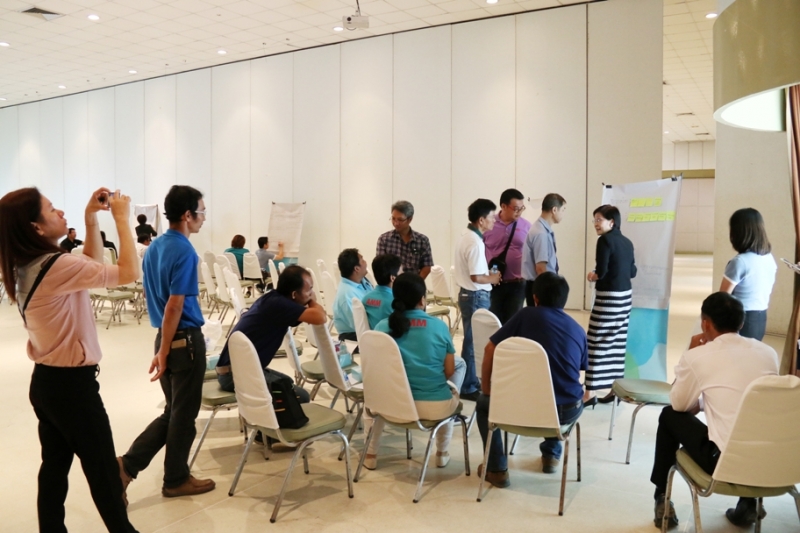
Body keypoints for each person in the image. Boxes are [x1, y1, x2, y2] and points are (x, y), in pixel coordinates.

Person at [0, 186, 138, 531]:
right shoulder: (56, 266)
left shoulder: (31, 264)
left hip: (47, 384)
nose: (60, 212)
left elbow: (89, 264)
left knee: (54, 468)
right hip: (72, 389)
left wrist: (90, 218)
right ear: (35, 227)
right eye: (51, 209)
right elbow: (128, 273)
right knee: (104, 472)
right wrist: (122, 219)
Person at [650, 292, 778, 529]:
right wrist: (704, 403)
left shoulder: (698, 356)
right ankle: (748, 504)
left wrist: (688, 355)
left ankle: (662, 499)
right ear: (741, 323)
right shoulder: (768, 353)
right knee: (748, 427)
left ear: (705, 323)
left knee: (669, 415)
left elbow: (679, 405)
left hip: (725, 463)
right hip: (772, 460)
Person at [120, 185, 215, 501]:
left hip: (164, 335)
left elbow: (157, 299)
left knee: (174, 412)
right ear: (187, 215)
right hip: (183, 339)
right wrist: (164, 351)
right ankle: (176, 479)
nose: (204, 218)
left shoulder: (155, 247)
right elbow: (175, 305)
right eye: (201, 212)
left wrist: (162, 346)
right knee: (183, 417)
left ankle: (126, 466)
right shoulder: (185, 251)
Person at [476, 272, 586, 488]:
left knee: (483, 405)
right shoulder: (578, 330)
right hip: (565, 413)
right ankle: (551, 455)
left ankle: (496, 469)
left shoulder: (526, 315)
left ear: (535, 298)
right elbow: (576, 371)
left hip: (522, 407)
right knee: (557, 389)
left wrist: (487, 390)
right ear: (564, 300)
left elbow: (490, 349)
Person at [366, 273, 467, 470]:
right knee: (452, 390)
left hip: (391, 407)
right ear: (422, 299)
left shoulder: (381, 327)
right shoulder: (439, 326)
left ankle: (370, 454)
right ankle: (441, 453)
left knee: (373, 400)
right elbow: (448, 371)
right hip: (434, 407)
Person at [215, 265, 326, 400]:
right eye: (309, 290)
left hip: (238, 369)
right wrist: (312, 300)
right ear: (294, 294)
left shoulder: (273, 298)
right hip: (234, 375)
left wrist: (308, 298)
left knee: (288, 383)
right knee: (299, 396)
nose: (311, 293)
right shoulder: (280, 305)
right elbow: (321, 317)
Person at [584, 205, 637, 406]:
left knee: (596, 341)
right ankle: (615, 389)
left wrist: (593, 275)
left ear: (611, 222)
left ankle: (589, 393)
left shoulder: (604, 241)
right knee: (616, 342)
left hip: (608, 299)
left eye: (599, 219)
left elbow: (602, 271)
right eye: (595, 220)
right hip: (625, 298)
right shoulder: (627, 242)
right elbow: (632, 272)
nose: (596, 224)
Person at [453, 199, 502, 401]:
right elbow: (476, 277)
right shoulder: (473, 241)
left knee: (471, 340)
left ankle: (470, 381)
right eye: (492, 217)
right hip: (475, 295)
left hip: (470, 295)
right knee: (473, 343)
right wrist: (494, 278)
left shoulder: (468, 236)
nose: (494, 220)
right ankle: (468, 386)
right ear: (481, 220)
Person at [720, 208, 776, 341]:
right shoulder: (768, 258)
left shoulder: (740, 262)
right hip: (761, 318)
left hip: (741, 319)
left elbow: (722, 298)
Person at [483, 188, 531, 324]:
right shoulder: (489, 223)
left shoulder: (527, 226)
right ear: (503, 206)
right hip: (493, 283)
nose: (519, 212)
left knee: (512, 323)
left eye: (522, 208)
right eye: (516, 208)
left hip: (517, 284)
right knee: (493, 322)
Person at [522, 193, 566, 306]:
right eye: (563, 210)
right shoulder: (541, 233)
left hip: (538, 285)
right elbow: (541, 268)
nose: (563, 214)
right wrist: (545, 293)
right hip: (540, 286)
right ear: (554, 210)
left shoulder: (542, 229)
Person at [376, 200, 434, 279]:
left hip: (414, 283)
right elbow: (380, 266)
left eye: (400, 220)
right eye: (393, 219)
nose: (396, 223)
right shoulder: (384, 239)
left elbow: (427, 266)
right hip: (392, 283)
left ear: (410, 219)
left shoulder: (422, 240)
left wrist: (416, 282)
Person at [332, 248, 373, 342]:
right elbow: (359, 326)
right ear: (356, 269)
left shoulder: (362, 281)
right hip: (353, 336)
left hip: (367, 327)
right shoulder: (347, 295)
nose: (365, 262)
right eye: (362, 260)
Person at [362, 254, 402, 329]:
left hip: (372, 336)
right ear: (393, 278)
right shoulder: (397, 302)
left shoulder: (365, 299)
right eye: (401, 273)